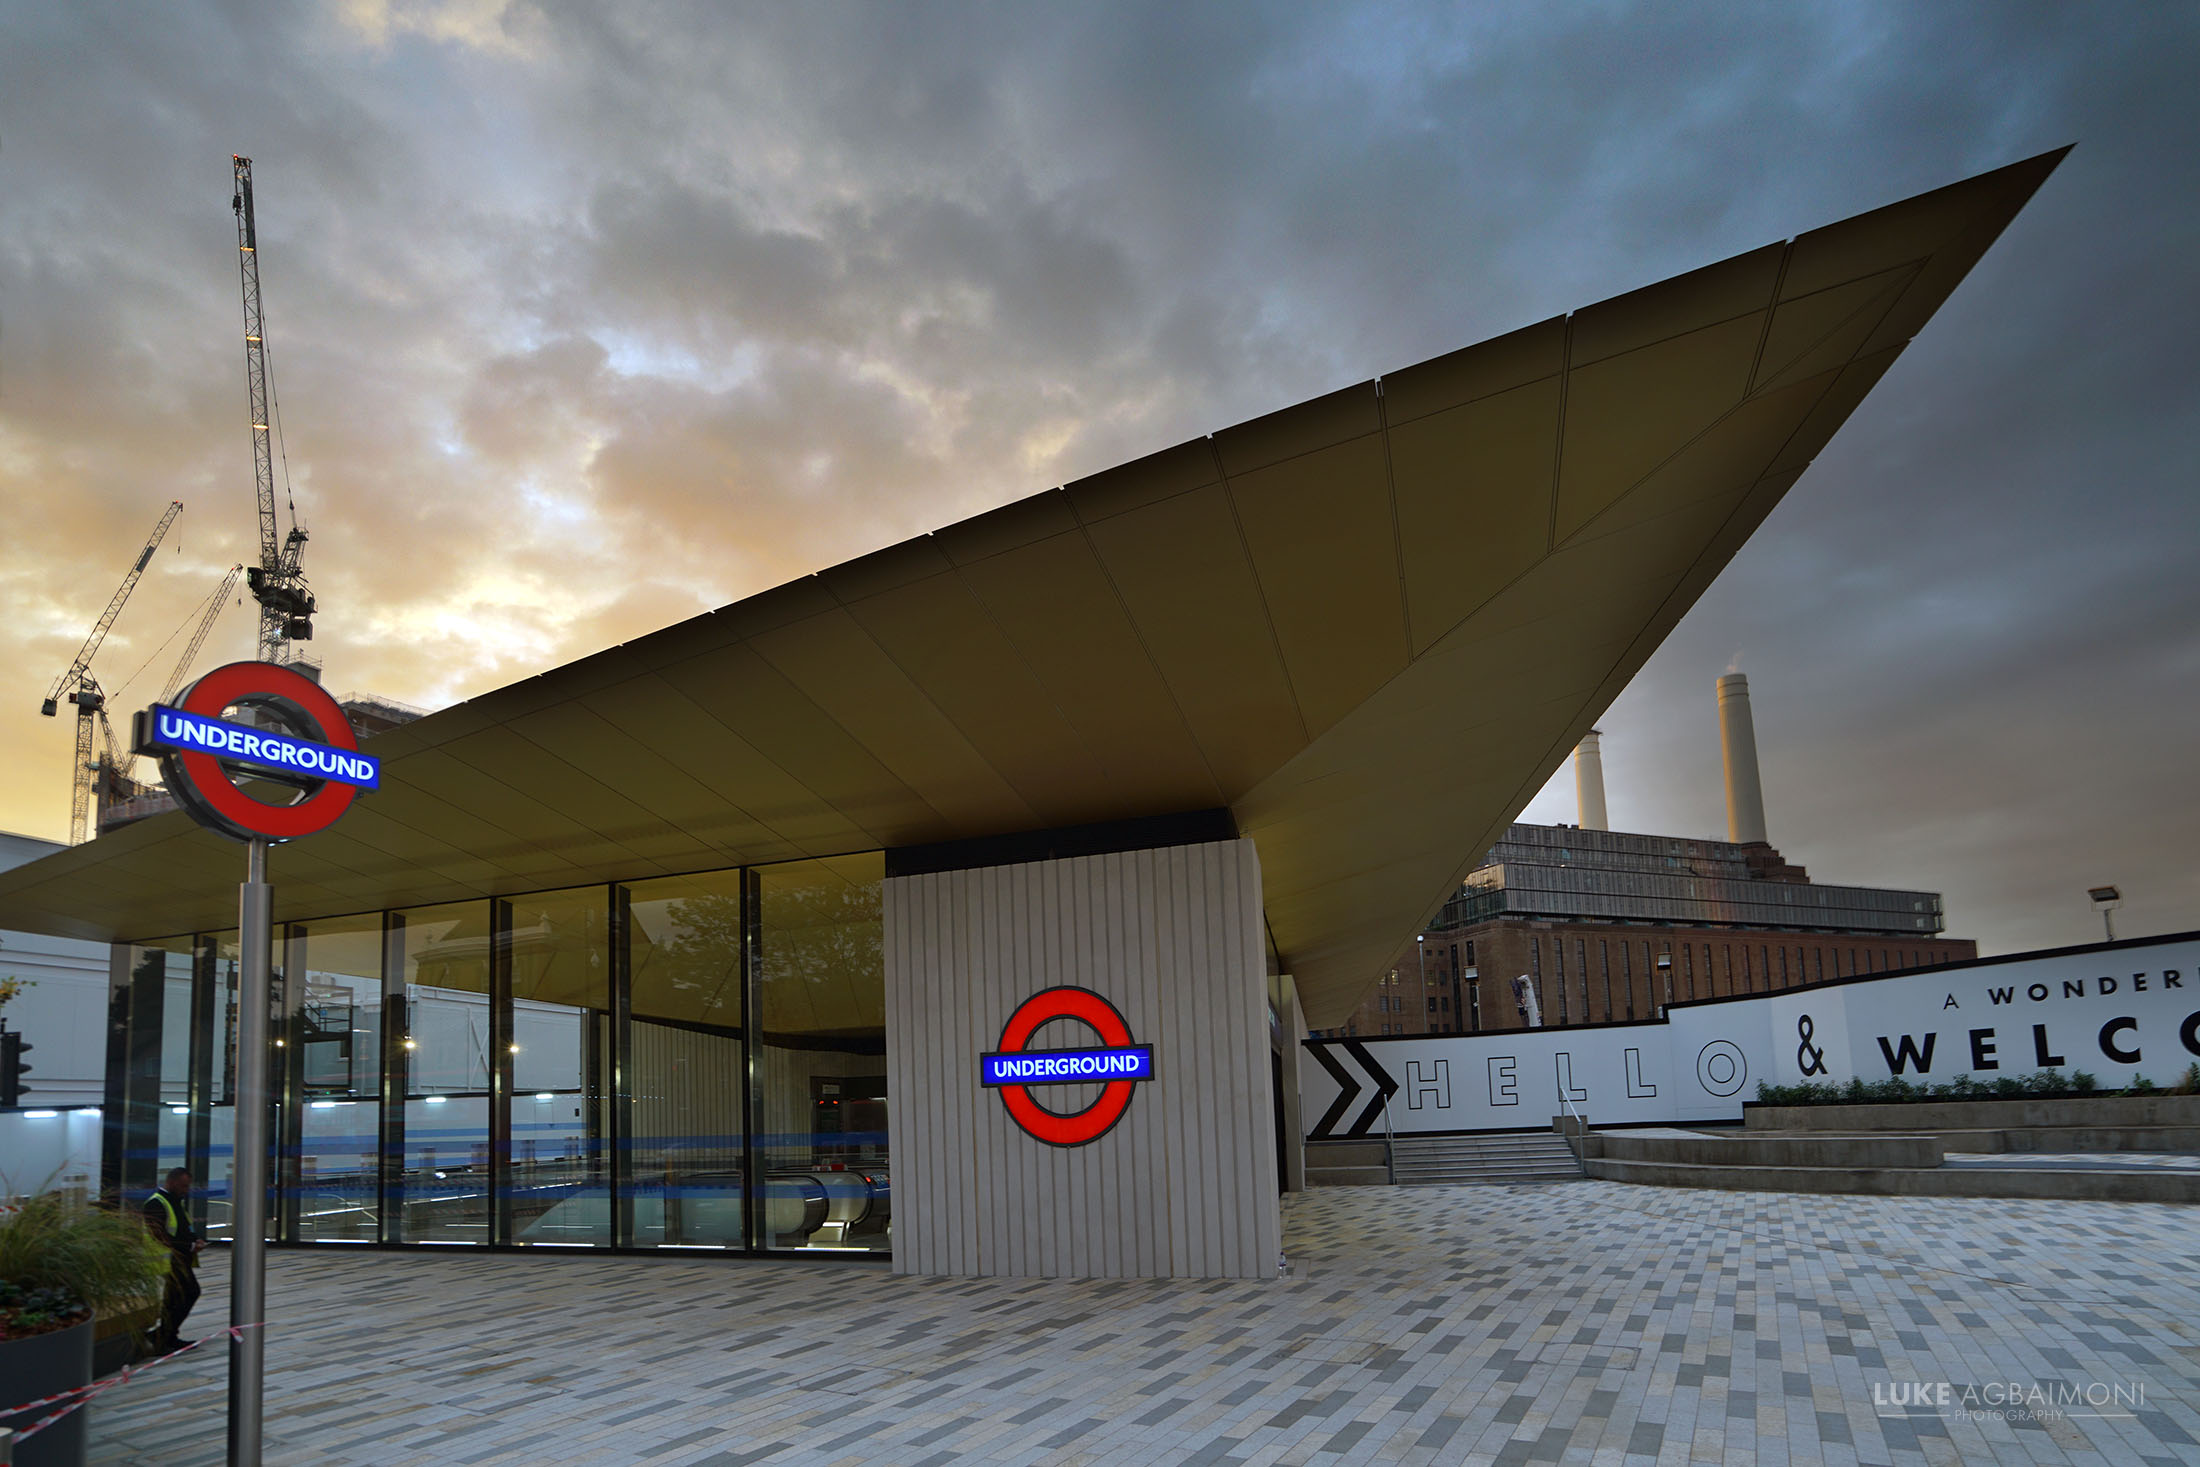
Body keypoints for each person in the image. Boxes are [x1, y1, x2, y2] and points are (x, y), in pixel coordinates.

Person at [143, 1167, 205, 1351]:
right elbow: (159, 1235)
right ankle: (163, 1336)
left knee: (174, 1298)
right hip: (168, 1259)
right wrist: (190, 1246)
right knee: (189, 1292)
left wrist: (195, 1241)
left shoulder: (176, 1202)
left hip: (179, 1258)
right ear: (171, 1182)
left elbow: (184, 1228)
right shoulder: (156, 1203)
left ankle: (166, 1336)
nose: (186, 1190)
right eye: (183, 1186)